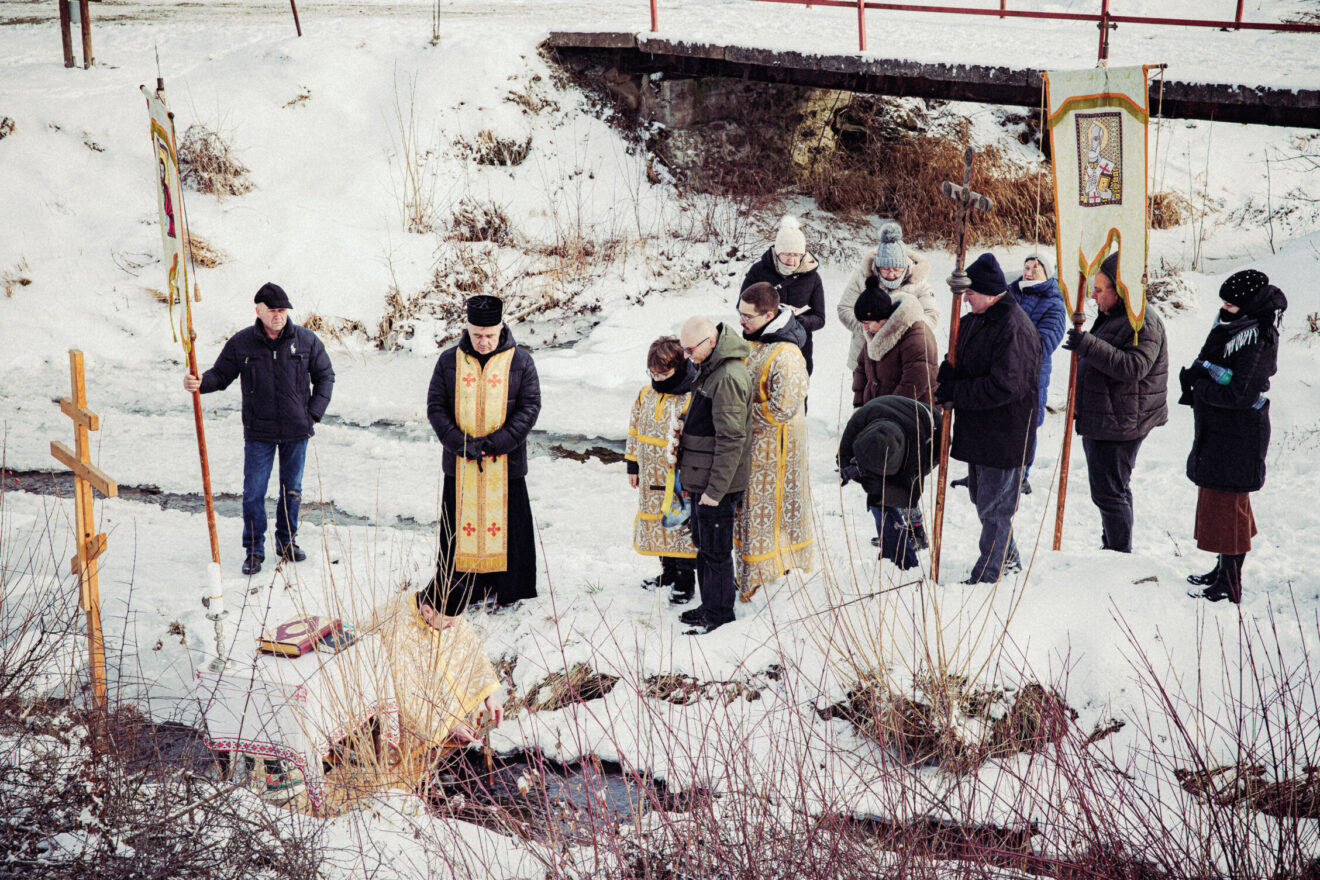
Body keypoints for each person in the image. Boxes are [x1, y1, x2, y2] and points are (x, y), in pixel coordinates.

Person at [184, 282, 334, 576]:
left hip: (296, 431)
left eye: (282, 310)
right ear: (259, 311)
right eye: (272, 310)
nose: (278, 315)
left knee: (292, 490)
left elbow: (325, 376)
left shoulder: (306, 341)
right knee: (253, 493)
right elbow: (221, 375)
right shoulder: (242, 343)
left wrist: (313, 415)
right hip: (258, 432)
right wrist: (200, 383)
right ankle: (254, 550)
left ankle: (287, 542)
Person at [425, 295, 541, 615]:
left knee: (510, 529)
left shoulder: (521, 361)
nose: (484, 341)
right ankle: (466, 588)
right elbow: (436, 407)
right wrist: (460, 443)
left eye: (490, 335)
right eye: (477, 335)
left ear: (501, 328)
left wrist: (496, 443)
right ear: (467, 329)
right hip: (461, 463)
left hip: (506, 463)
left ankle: (508, 589)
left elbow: (530, 409)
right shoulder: (449, 361)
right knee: (459, 529)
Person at [1180, 269, 1286, 604]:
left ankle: (1230, 581)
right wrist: (1199, 376)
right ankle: (1222, 569)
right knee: (1222, 502)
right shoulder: (1231, 326)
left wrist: (1201, 386)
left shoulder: (1257, 337)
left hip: (1239, 433)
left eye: (1231, 304)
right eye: (1223, 302)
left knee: (1229, 507)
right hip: (1221, 430)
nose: (1224, 308)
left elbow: (1240, 393)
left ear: (1249, 305)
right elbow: (1209, 363)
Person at [934, 253, 1040, 584]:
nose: (965, 299)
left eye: (970, 293)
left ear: (990, 293)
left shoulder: (1014, 328)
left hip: (1005, 433)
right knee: (983, 500)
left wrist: (958, 392)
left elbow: (1005, 385)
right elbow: (961, 361)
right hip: (981, 431)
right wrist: (948, 374)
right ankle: (1007, 557)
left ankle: (989, 573)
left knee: (995, 508)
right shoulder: (974, 321)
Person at [1060, 252, 1168, 553]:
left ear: (1120, 290)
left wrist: (1089, 345)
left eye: (1099, 290)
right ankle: (1114, 548)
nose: (1093, 296)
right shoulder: (1117, 316)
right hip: (1108, 416)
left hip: (1121, 421)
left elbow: (1135, 367)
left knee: (1109, 493)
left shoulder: (1141, 321)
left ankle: (1118, 555)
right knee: (1112, 490)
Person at [733, 283, 814, 600]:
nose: (742, 321)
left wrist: (735, 415)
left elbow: (783, 407)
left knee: (768, 513)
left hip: (777, 452)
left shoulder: (787, 354)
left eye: (747, 316)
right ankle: (752, 575)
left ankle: (771, 575)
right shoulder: (754, 339)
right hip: (752, 448)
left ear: (769, 315)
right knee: (749, 511)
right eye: (740, 313)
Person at [675, 315, 754, 634]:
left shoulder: (728, 377)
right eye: (683, 349)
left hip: (716, 484)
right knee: (703, 545)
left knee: (716, 551)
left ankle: (720, 615)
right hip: (702, 477)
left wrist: (715, 490)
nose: (686, 356)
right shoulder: (710, 366)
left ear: (711, 342)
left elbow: (732, 439)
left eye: (690, 349)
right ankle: (709, 605)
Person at [366, 584, 503, 767]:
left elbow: (472, 651)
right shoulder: (397, 631)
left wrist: (489, 696)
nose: (454, 625)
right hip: (395, 715)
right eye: (448, 620)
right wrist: (448, 725)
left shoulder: (445, 610)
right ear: (427, 611)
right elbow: (407, 693)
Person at [851, 279, 938, 554]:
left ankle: (913, 531)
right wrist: (860, 406)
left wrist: (886, 412)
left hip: (911, 419)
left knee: (903, 480)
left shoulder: (915, 335)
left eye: (869, 323)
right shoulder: (873, 336)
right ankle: (892, 532)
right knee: (879, 476)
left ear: (885, 319)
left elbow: (917, 380)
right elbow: (861, 370)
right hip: (882, 417)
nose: (865, 329)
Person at [625, 337, 698, 604]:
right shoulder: (646, 394)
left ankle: (685, 580)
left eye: (662, 374)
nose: (656, 379)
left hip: (677, 477)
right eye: (652, 373)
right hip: (649, 474)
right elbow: (634, 428)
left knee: (678, 525)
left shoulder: (690, 397)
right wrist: (632, 464)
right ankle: (667, 572)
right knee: (657, 523)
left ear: (677, 368)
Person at [838, 396, 939, 570]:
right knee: (877, 497)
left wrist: (883, 489)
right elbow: (842, 459)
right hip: (885, 414)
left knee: (888, 499)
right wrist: (857, 471)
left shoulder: (914, 450)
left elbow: (910, 492)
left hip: (933, 434)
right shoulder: (859, 421)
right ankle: (889, 551)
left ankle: (905, 562)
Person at [838, 221, 939, 378]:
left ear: (906, 266)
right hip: (864, 355)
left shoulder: (918, 282)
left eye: (897, 270)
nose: (891, 274)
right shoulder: (861, 276)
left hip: (901, 359)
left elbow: (931, 315)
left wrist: (898, 331)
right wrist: (867, 327)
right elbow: (845, 308)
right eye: (885, 270)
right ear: (877, 267)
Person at [1007, 252, 1068, 494]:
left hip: (1031, 377)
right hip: (1002, 373)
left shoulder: (1053, 304)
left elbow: (1044, 344)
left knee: (1026, 425)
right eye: (1026, 267)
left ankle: (1021, 475)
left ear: (1047, 274)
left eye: (1035, 268)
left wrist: (1007, 346)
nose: (1029, 272)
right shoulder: (1010, 294)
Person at [740, 216, 826, 374]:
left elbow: (820, 318)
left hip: (798, 349)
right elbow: (742, 305)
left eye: (797, 255)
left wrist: (797, 321)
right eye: (787, 255)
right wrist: (767, 316)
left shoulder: (813, 278)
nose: (792, 261)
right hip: (760, 346)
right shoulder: (758, 271)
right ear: (777, 252)